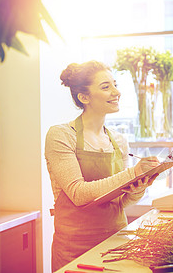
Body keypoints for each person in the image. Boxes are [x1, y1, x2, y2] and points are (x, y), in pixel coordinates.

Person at [45, 60, 159, 272]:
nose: (116, 92)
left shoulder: (119, 140)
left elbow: (121, 202)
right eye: (106, 87)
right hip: (74, 248)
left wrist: (139, 187)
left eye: (115, 84)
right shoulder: (61, 135)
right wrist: (133, 172)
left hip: (116, 242)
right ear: (84, 97)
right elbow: (78, 193)